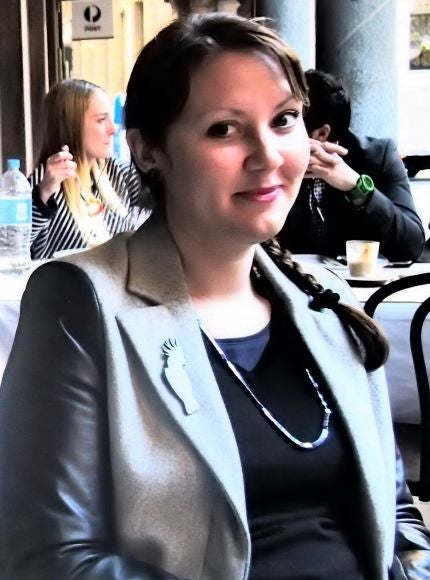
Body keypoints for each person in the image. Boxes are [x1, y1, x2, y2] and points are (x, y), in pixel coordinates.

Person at [0, 12, 429, 580]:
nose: (268, 155)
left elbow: (397, 518)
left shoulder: (325, 300)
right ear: (148, 151)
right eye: (224, 129)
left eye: (284, 119)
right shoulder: (82, 302)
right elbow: (49, 557)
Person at [277, 69, 425, 262]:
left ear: (321, 134)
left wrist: (356, 186)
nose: (276, 134)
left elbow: (412, 246)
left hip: (358, 279)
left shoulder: (378, 156)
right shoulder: (274, 160)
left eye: (285, 122)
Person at [29, 78, 147, 259]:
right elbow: (12, 247)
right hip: (65, 277)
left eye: (111, 118)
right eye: (101, 120)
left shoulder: (119, 173)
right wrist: (42, 195)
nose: (113, 129)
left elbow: (167, 197)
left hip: (117, 276)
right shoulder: (43, 183)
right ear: (71, 126)